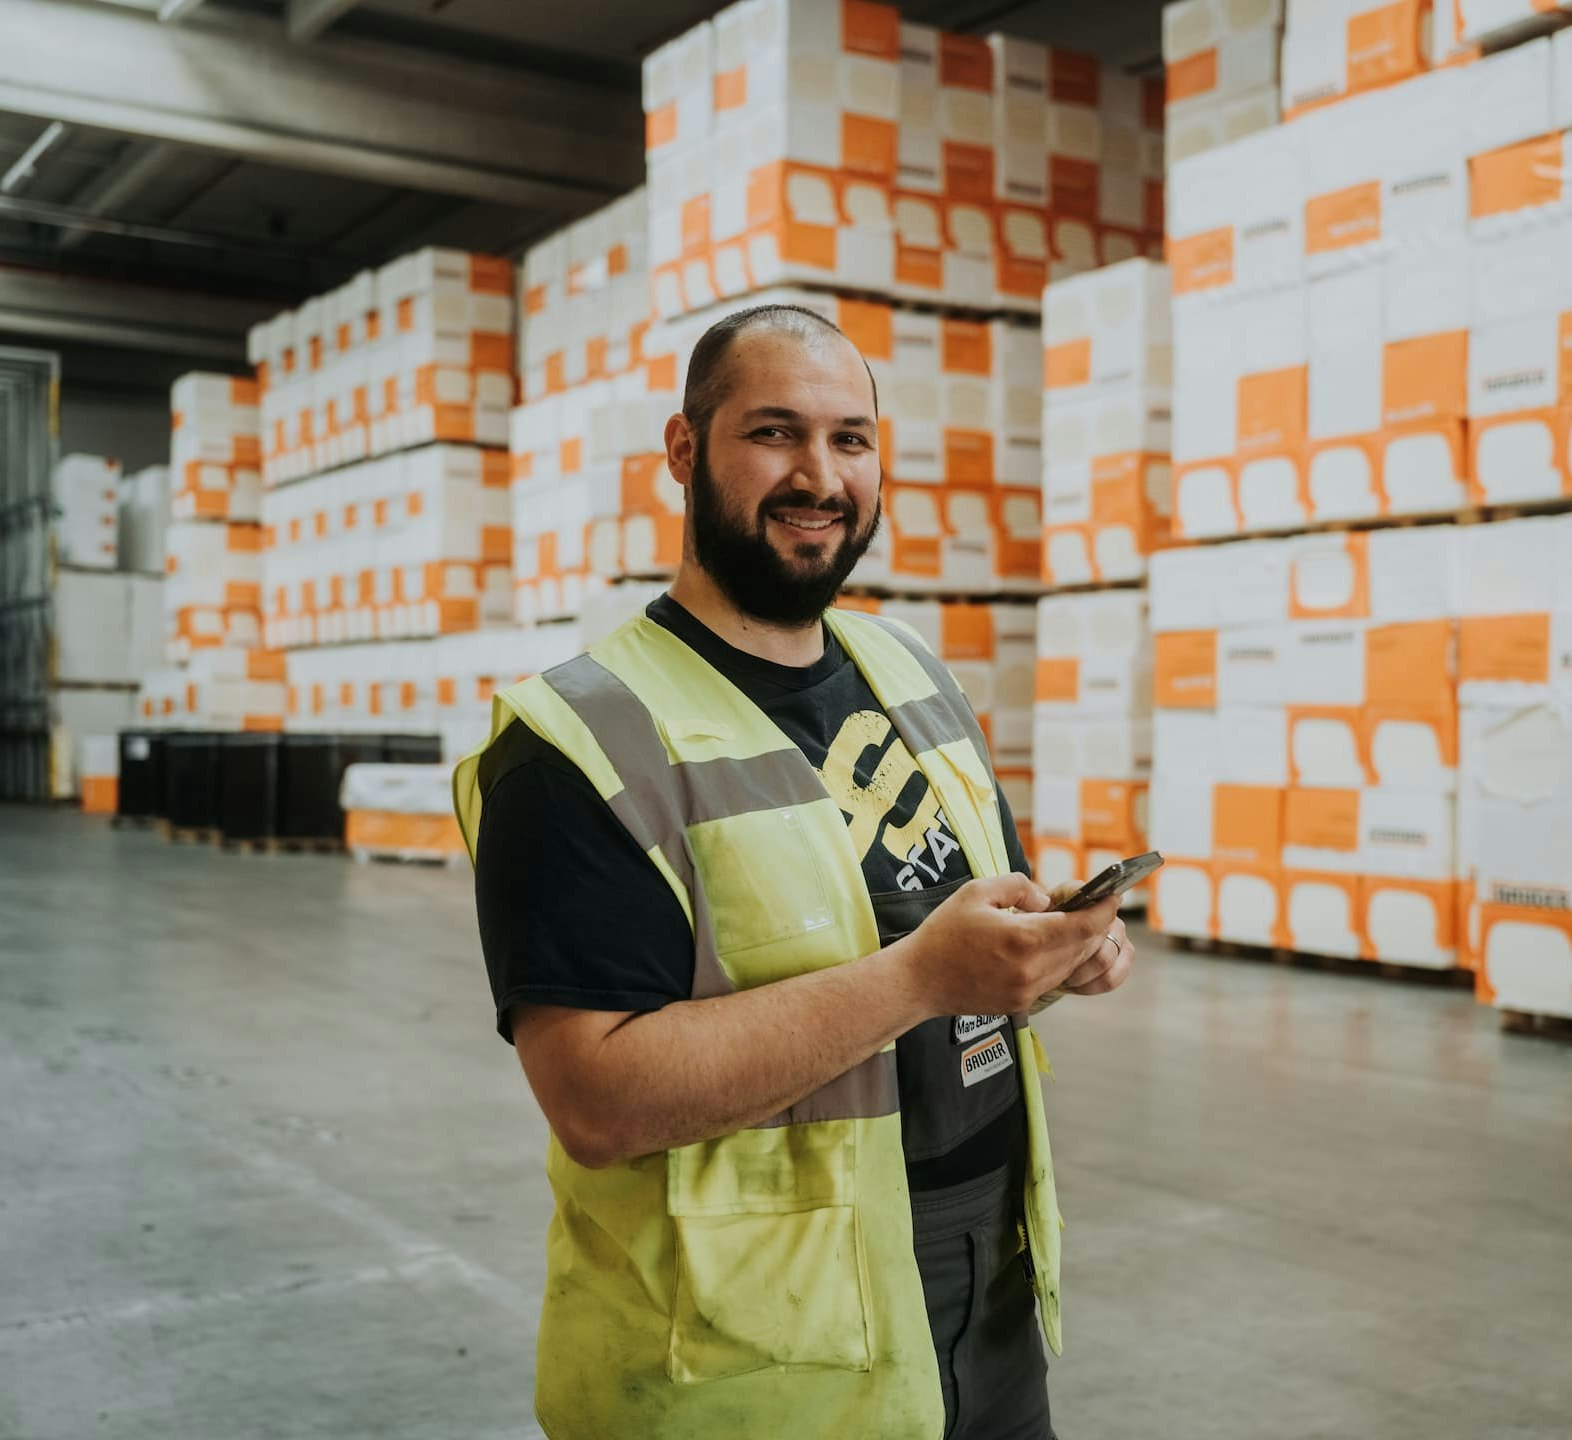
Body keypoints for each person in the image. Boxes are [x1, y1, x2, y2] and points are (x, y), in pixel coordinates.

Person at [453, 304, 1135, 1440]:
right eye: (774, 433)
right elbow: (596, 1100)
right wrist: (923, 978)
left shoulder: (904, 665)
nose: (819, 476)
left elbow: (975, 913)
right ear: (684, 451)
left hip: (990, 1286)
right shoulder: (577, 743)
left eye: (850, 440)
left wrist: (1054, 951)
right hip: (751, 1350)